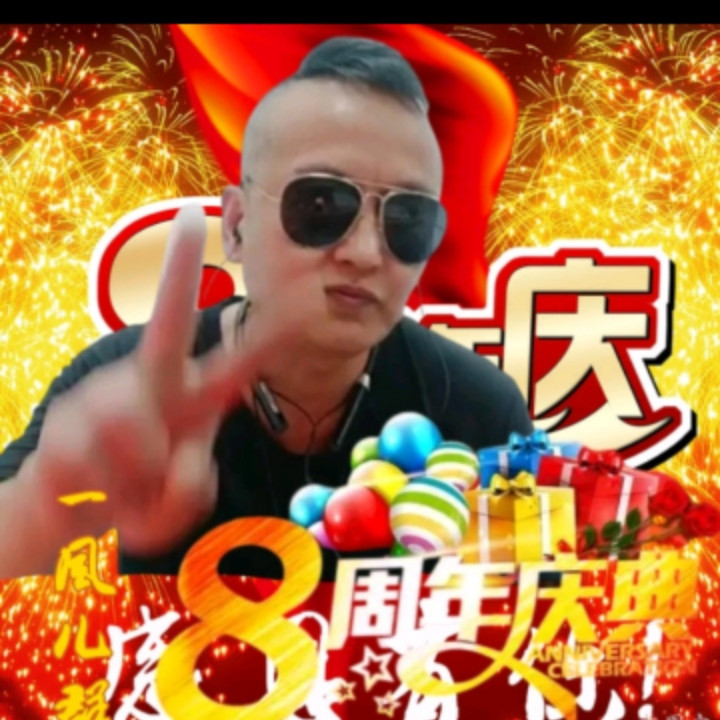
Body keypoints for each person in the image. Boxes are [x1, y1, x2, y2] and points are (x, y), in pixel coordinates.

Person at [0, 37, 532, 581]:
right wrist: (43, 508)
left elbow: (535, 610)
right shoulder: (122, 385)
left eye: (408, 219)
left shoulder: (478, 411)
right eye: (321, 204)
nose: (366, 252)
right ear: (236, 226)